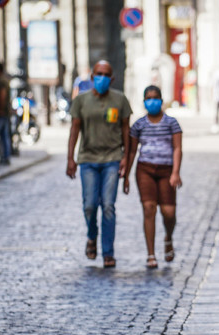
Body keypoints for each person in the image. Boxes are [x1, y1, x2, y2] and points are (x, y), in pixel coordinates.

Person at [66, 60, 132, 268]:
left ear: (111, 79)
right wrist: (70, 158)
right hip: (88, 160)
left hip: (112, 159)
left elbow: (126, 131)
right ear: (92, 77)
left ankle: (108, 253)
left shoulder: (120, 100)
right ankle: (92, 236)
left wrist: (126, 158)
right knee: (89, 205)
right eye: (98, 74)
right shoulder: (82, 101)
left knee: (109, 206)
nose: (101, 78)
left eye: (106, 74)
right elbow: (75, 130)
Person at [124, 86, 182, 269]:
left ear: (161, 100)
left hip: (166, 171)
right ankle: (151, 254)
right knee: (149, 209)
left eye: (155, 97)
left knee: (169, 212)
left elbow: (177, 148)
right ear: (144, 102)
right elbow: (132, 151)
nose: (152, 101)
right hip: (145, 170)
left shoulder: (172, 123)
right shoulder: (139, 125)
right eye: (148, 98)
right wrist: (125, 176)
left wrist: (175, 172)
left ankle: (168, 237)